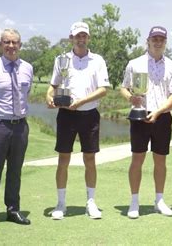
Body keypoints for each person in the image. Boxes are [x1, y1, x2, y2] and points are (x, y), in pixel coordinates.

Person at [46, 21, 110, 220]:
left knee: (89, 159)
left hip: (89, 114)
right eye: (77, 36)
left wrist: (82, 100)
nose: (81, 39)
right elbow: (54, 85)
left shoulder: (97, 60)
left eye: (84, 36)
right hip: (66, 115)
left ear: (88, 38)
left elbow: (103, 89)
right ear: (71, 38)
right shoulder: (61, 59)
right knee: (63, 159)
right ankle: (61, 204)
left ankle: (90, 202)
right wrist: (49, 96)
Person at [120, 26, 172, 219]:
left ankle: (159, 200)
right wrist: (131, 98)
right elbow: (124, 88)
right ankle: (134, 201)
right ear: (148, 40)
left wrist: (159, 111)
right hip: (139, 115)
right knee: (137, 159)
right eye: (154, 38)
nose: (157, 42)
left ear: (165, 42)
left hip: (162, 116)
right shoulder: (135, 63)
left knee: (160, 160)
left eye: (161, 39)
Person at [0, 28, 33, 229]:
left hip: (20, 126)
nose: (11, 46)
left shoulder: (28, 67)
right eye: (7, 42)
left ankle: (13, 210)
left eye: (15, 42)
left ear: (20, 45)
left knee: (15, 171)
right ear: (0, 44)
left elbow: (27, 92)